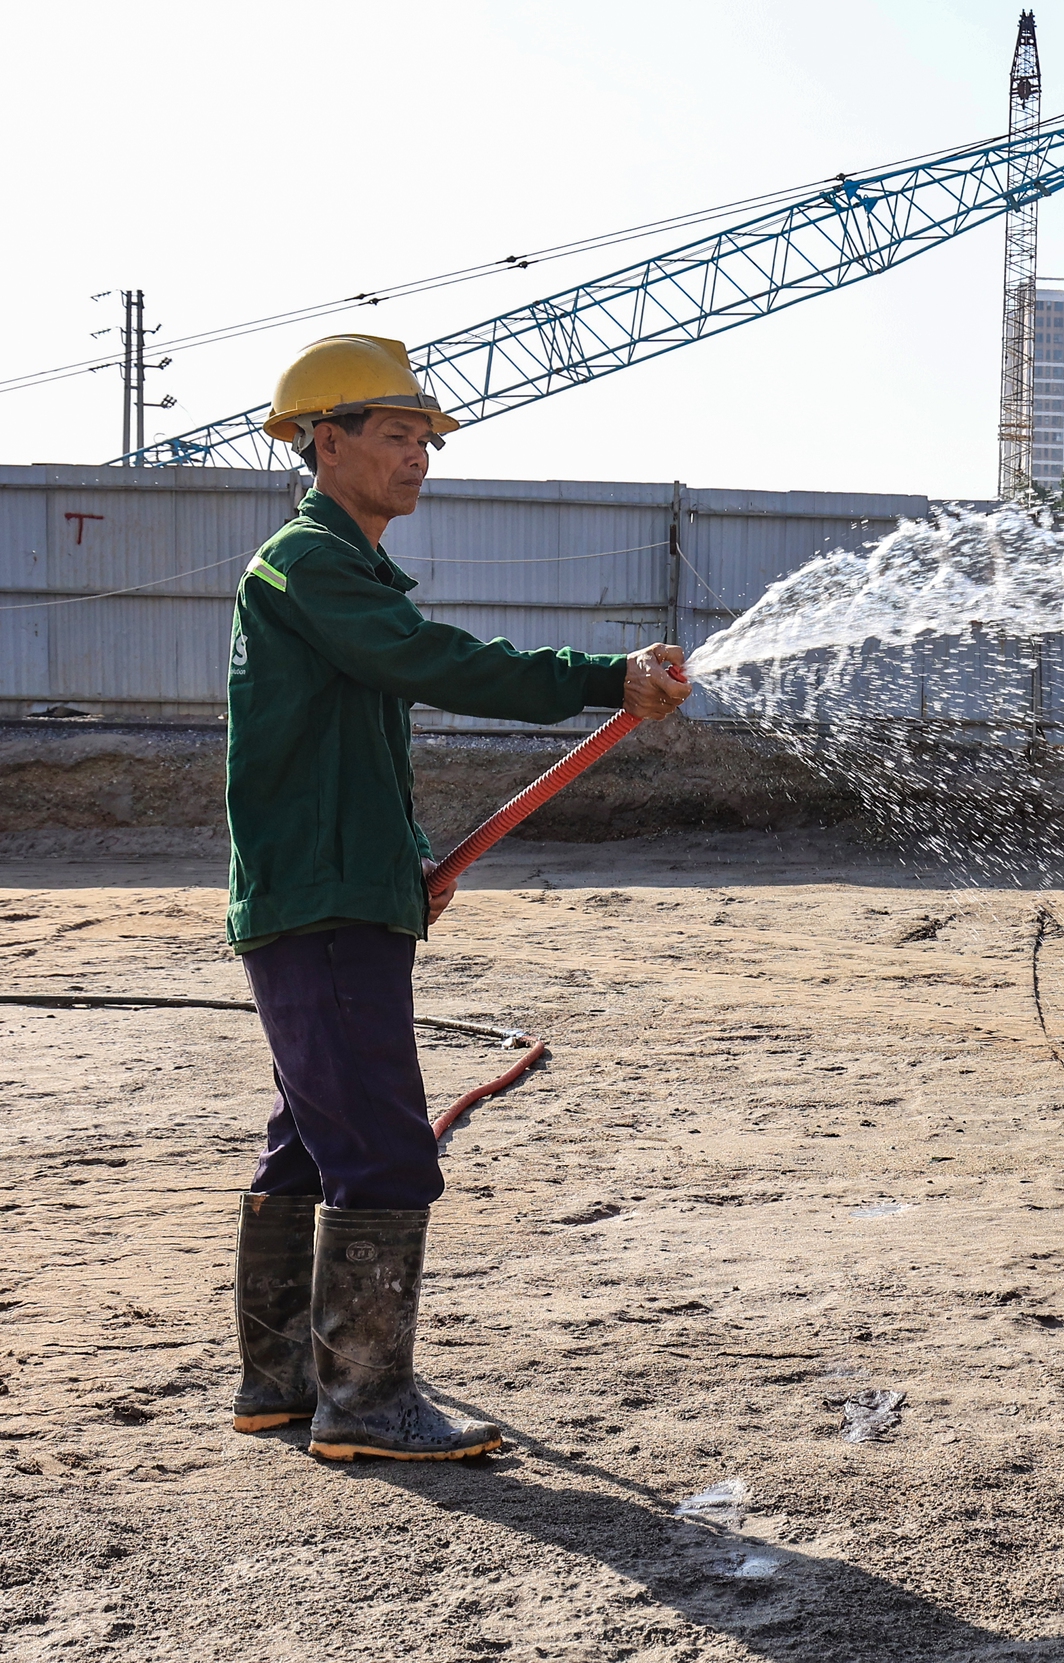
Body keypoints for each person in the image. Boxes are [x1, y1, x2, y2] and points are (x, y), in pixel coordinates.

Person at [226, 334, 692, 1462]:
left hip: (337, 896)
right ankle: (368, 1404)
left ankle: (283, 1379)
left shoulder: (328, 572)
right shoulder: (309, 565)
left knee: (310, 1143)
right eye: (397, 435)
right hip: (323, 911)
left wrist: (403, 868)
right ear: (322, 442)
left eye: (426, 438)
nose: (419, 456)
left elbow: (353, 761)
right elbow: (435, 662)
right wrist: (596, 678)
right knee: (384, 1150)